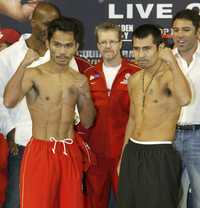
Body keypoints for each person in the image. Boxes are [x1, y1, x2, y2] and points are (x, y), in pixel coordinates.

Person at [3, 16, 96, 208]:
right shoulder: (34, 74)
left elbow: (87, 121)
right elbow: (9, 101)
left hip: (69, 152)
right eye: (57, 44)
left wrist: (85, 96)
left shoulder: (79, 80)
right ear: (48, 43)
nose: (62, 51)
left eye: (68, 45)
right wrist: (23, 64)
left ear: (76, 46)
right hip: (40, 150)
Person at [117, 24, 191, 208]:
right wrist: (123, 156)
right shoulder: (134, 80)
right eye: (136, 48)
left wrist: (172, 62)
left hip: (160, 153)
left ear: (160, 48)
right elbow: (132, 119)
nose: (141, 55)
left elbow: (185, 98)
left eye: (147, 48)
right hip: (132, 152)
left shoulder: (169, 76)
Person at [0, 3, 61, 208]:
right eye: (45, 23)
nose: (50, 29)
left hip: (56, 143)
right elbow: (2, 100)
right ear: (32, 21)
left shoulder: (61, 54)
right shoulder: (8, 56)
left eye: (54, 24)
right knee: (17, 201)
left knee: (51, 201)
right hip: (22, 143)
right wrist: (10, 130)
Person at [83, 22, 140, 208]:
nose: (108, 46)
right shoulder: (88, 75)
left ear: (121, 43)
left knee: (128, 201)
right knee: (94, 203)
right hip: (95, 155)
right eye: (103, 42)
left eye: (112, 41)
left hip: (125, 153)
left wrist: (130, 153)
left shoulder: (136, 73)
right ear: (98, 45)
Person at [172, 9, 200, 208]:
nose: (179, 35)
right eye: (175, 30)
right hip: (169, 134)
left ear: (197, 31)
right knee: (171, 193)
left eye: (186, 30)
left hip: (198, 135)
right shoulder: (164, 60)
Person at [0, 27, 21, 208]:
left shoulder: (25, 73)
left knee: (13, 197)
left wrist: (11, 131)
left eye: (3, 48)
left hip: (15, 144)